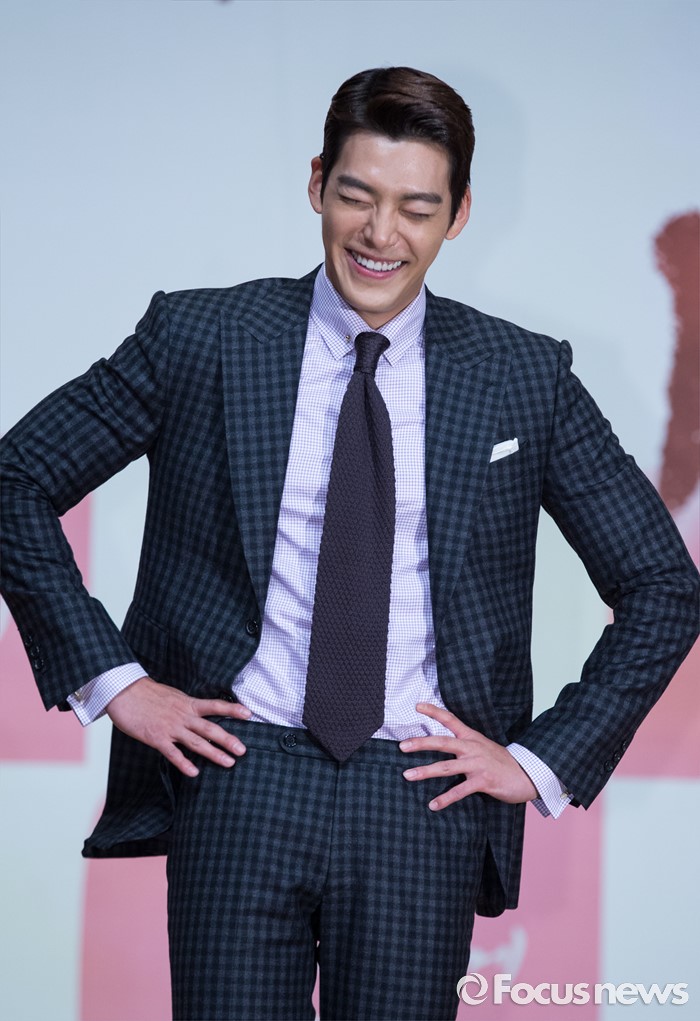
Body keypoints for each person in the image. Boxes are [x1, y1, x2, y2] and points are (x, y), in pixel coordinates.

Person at [1, 66, 698, 1021]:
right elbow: (15, 479)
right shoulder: (204, 336)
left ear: (458, 216)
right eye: (358, 196)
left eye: (417, 207)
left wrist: (541, 759)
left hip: (422, 795)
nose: (380, 234)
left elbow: (662, 584)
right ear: (317, 183)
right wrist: (116, 681)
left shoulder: (520, 376)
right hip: (240, 774)